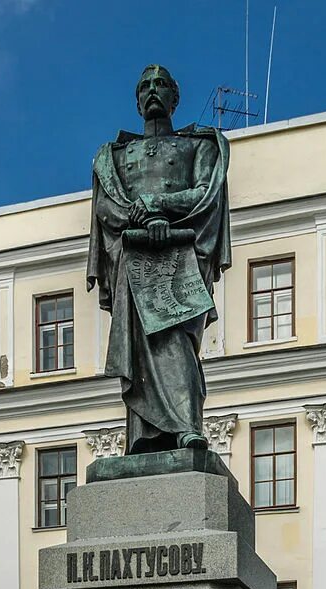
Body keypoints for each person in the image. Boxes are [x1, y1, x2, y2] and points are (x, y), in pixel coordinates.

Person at [87, 64, 231, 454]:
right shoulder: (114, 156)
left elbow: (205, 195)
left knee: (176, 342)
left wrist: (157, 206)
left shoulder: (197, 146)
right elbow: (106, 207)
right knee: (139, 347)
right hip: (132, 258)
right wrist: (140, 220)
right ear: (136, 101)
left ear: (175, 98)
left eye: (161, 85)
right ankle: (143, 437)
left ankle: (186, 425)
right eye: (144, 86)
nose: (152, 91)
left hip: (180, 256)